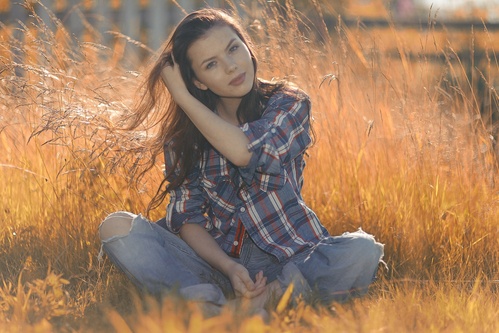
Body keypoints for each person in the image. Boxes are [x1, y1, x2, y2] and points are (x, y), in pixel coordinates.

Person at [98, 8, 384, 316]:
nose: (232, 66)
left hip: (287, 260)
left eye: (233, 48)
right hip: (215, 264)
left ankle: (252, 304)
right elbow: (187, 219)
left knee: (362, 250)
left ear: (246, 44)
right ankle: (217, 305)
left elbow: (244, 152)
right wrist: (230, 268)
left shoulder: (288, 103)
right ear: (200, 82)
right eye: (212, 64)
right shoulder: (184, 136)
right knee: (115, 226)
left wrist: (182, 96)